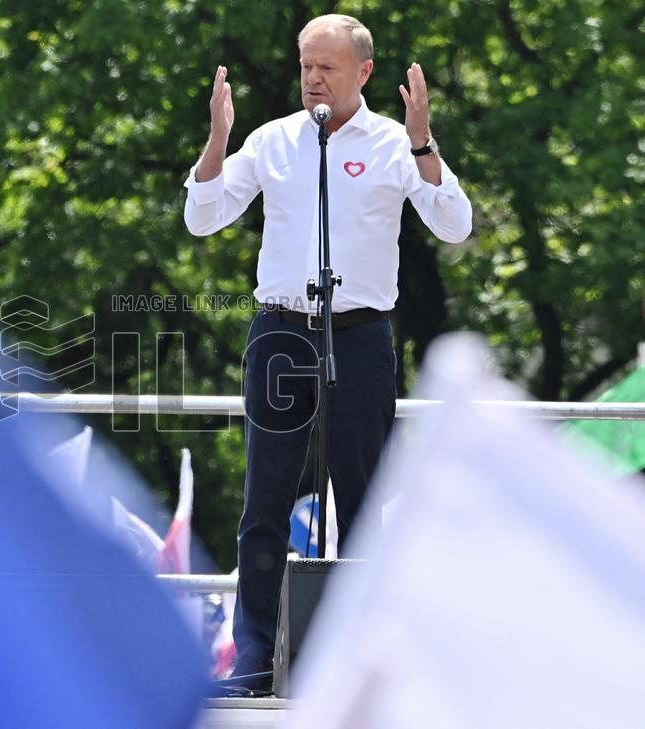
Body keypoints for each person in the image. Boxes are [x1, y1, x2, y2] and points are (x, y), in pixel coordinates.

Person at [183, 14, 472, 688]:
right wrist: (218, 139)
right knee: (265, 502)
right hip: (281, 335)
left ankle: (363, 664)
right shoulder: (274, 139)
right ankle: (254, 658)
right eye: (306, 65)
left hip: (361, 336)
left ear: (363, 72)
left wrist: (424, 142)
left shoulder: (396, 143)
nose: (312, 78)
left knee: (365, 504)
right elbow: (203, 217)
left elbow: (455, 226)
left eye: (327, 67)